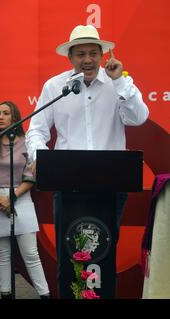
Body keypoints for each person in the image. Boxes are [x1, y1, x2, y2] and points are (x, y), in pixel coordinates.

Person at [25, 25, 149, 298]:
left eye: (94, 53)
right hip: (68, 185)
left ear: (103, 55)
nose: (88, 59)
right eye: (80, 54)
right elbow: (36, 129)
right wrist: (38, 157)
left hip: (110, 186)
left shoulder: (118, 84)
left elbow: (138, 117)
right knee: (69, 251)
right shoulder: (56, 86)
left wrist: (120, 82)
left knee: (104, 249)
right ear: (70, 58)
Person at [0, 101, 50, 299]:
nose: (0, 117)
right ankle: (6, 294)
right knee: (2, 252)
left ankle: (45, 294)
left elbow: (32, 176)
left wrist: (11, 197)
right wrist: (0, 199)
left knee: (30, 252)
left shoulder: (27, 141)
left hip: (21, 196)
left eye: (5, 113)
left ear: (15, 117)